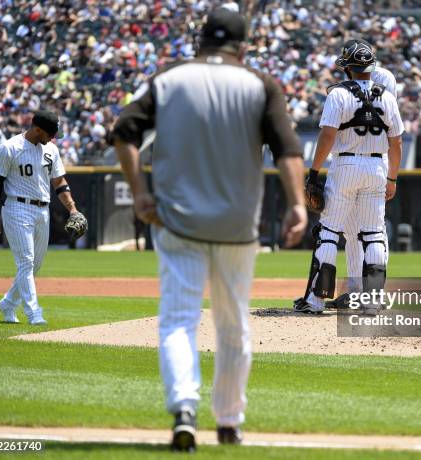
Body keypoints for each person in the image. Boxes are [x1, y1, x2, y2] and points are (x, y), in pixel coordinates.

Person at [113, 8, 306, 452]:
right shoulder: (261, 84)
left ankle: (183, 408)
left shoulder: (170, 78)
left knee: (178, 321)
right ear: (242, 46)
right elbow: (288, 150)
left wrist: (140, 191)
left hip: (177, 222)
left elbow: (124, 131)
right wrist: (297, 204)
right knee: (233, 326)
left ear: (201, 41)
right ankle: (229, 422)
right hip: (238, 226)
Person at [293, 39, 404, 315]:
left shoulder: (338, 95)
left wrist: (314, 172)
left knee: (329, 231)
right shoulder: (387, 97)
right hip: (377, 168)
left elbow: (328, 135)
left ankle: (315, 301)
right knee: (374, 234)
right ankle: (373, 302)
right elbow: (397, 143)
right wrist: (392, 179)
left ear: (347, 68)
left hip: (345, 166)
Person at [322, 38, 398, 310]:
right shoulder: (352, 84)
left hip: (374, 156)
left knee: (372, 231)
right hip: (364, 160)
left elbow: (380, 121)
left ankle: (375, 292)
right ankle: (356, 290)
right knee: (354, 232)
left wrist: (392, 176)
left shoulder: (384, 79)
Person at [0, 109, 83, 325]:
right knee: (26, 262)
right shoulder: (10, 147)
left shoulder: (51, 149)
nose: (52, 138)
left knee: (34, 265)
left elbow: (59, 182)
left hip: (43, 210)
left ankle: (8, 304)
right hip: (17, 207)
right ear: (37, 129)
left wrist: (73, 209)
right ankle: (34, 313)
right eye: (50, 134)